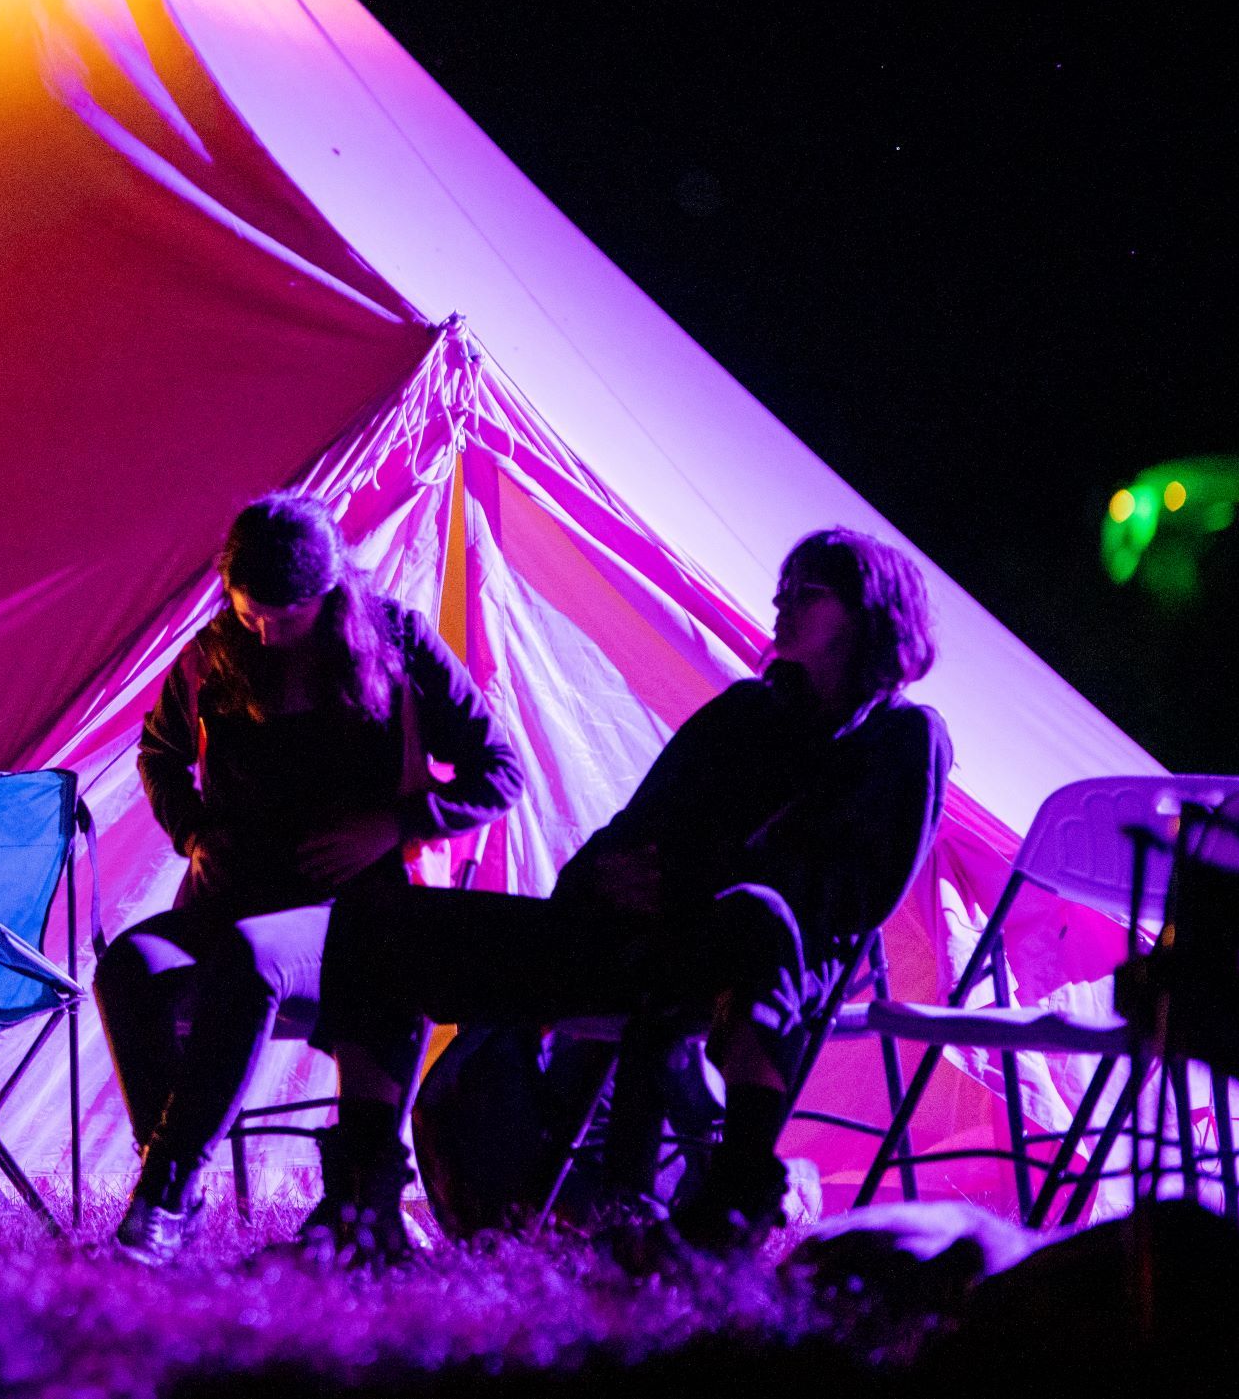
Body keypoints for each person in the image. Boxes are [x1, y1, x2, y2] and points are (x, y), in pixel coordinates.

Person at [308, 527, 952, 1260]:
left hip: (746, 965)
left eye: (808, 591)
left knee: (755, 914)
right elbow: (628, 835)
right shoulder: (746, 713)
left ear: (871, 611)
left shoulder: (905, 738)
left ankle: (738, 1191)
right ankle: (365, 1203)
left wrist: (688, 884)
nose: (782, 604)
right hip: (630, 942)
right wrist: (610, 880)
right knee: (375, 917)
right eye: (782, 588)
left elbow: (844, 895)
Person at [100, 492, 522, 1262]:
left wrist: (395, 824)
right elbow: (159, 754)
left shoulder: (395, 641)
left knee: (252, 958)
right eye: (249, 609)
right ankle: (175, 1180)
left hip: (359, 915)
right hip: (235, 897)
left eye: (283, 617)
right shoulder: (213, 653)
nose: (264, 631)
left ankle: (163, 1189)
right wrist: (194, 832)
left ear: (327, 594)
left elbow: (500, 771)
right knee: (130, 967)